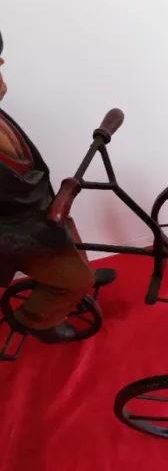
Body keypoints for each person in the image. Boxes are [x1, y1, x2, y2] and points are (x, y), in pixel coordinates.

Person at [0, 30, 95, 343]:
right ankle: (36, 319)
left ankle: (72, 275)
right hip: (14, 231)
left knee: (69, 232)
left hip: (37, 214)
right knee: (76, 280)